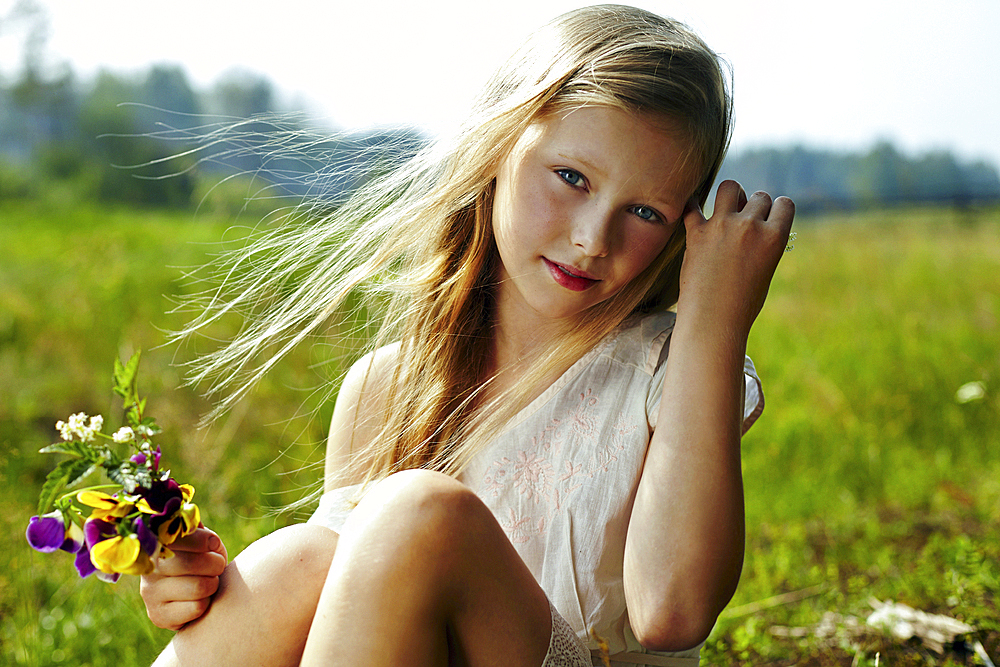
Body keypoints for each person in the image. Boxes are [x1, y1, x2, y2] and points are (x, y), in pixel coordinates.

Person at [139, 4, 794, 666]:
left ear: (681, 225)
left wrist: (714, 320)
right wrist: (195, 590)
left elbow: (672, 611)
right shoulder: (385, 388)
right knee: (301, 558)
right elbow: (329, 624)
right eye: (572, 178)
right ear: (498, 148)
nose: (593, 238)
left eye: (645, 211)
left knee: (421, 514)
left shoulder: (669, 371)